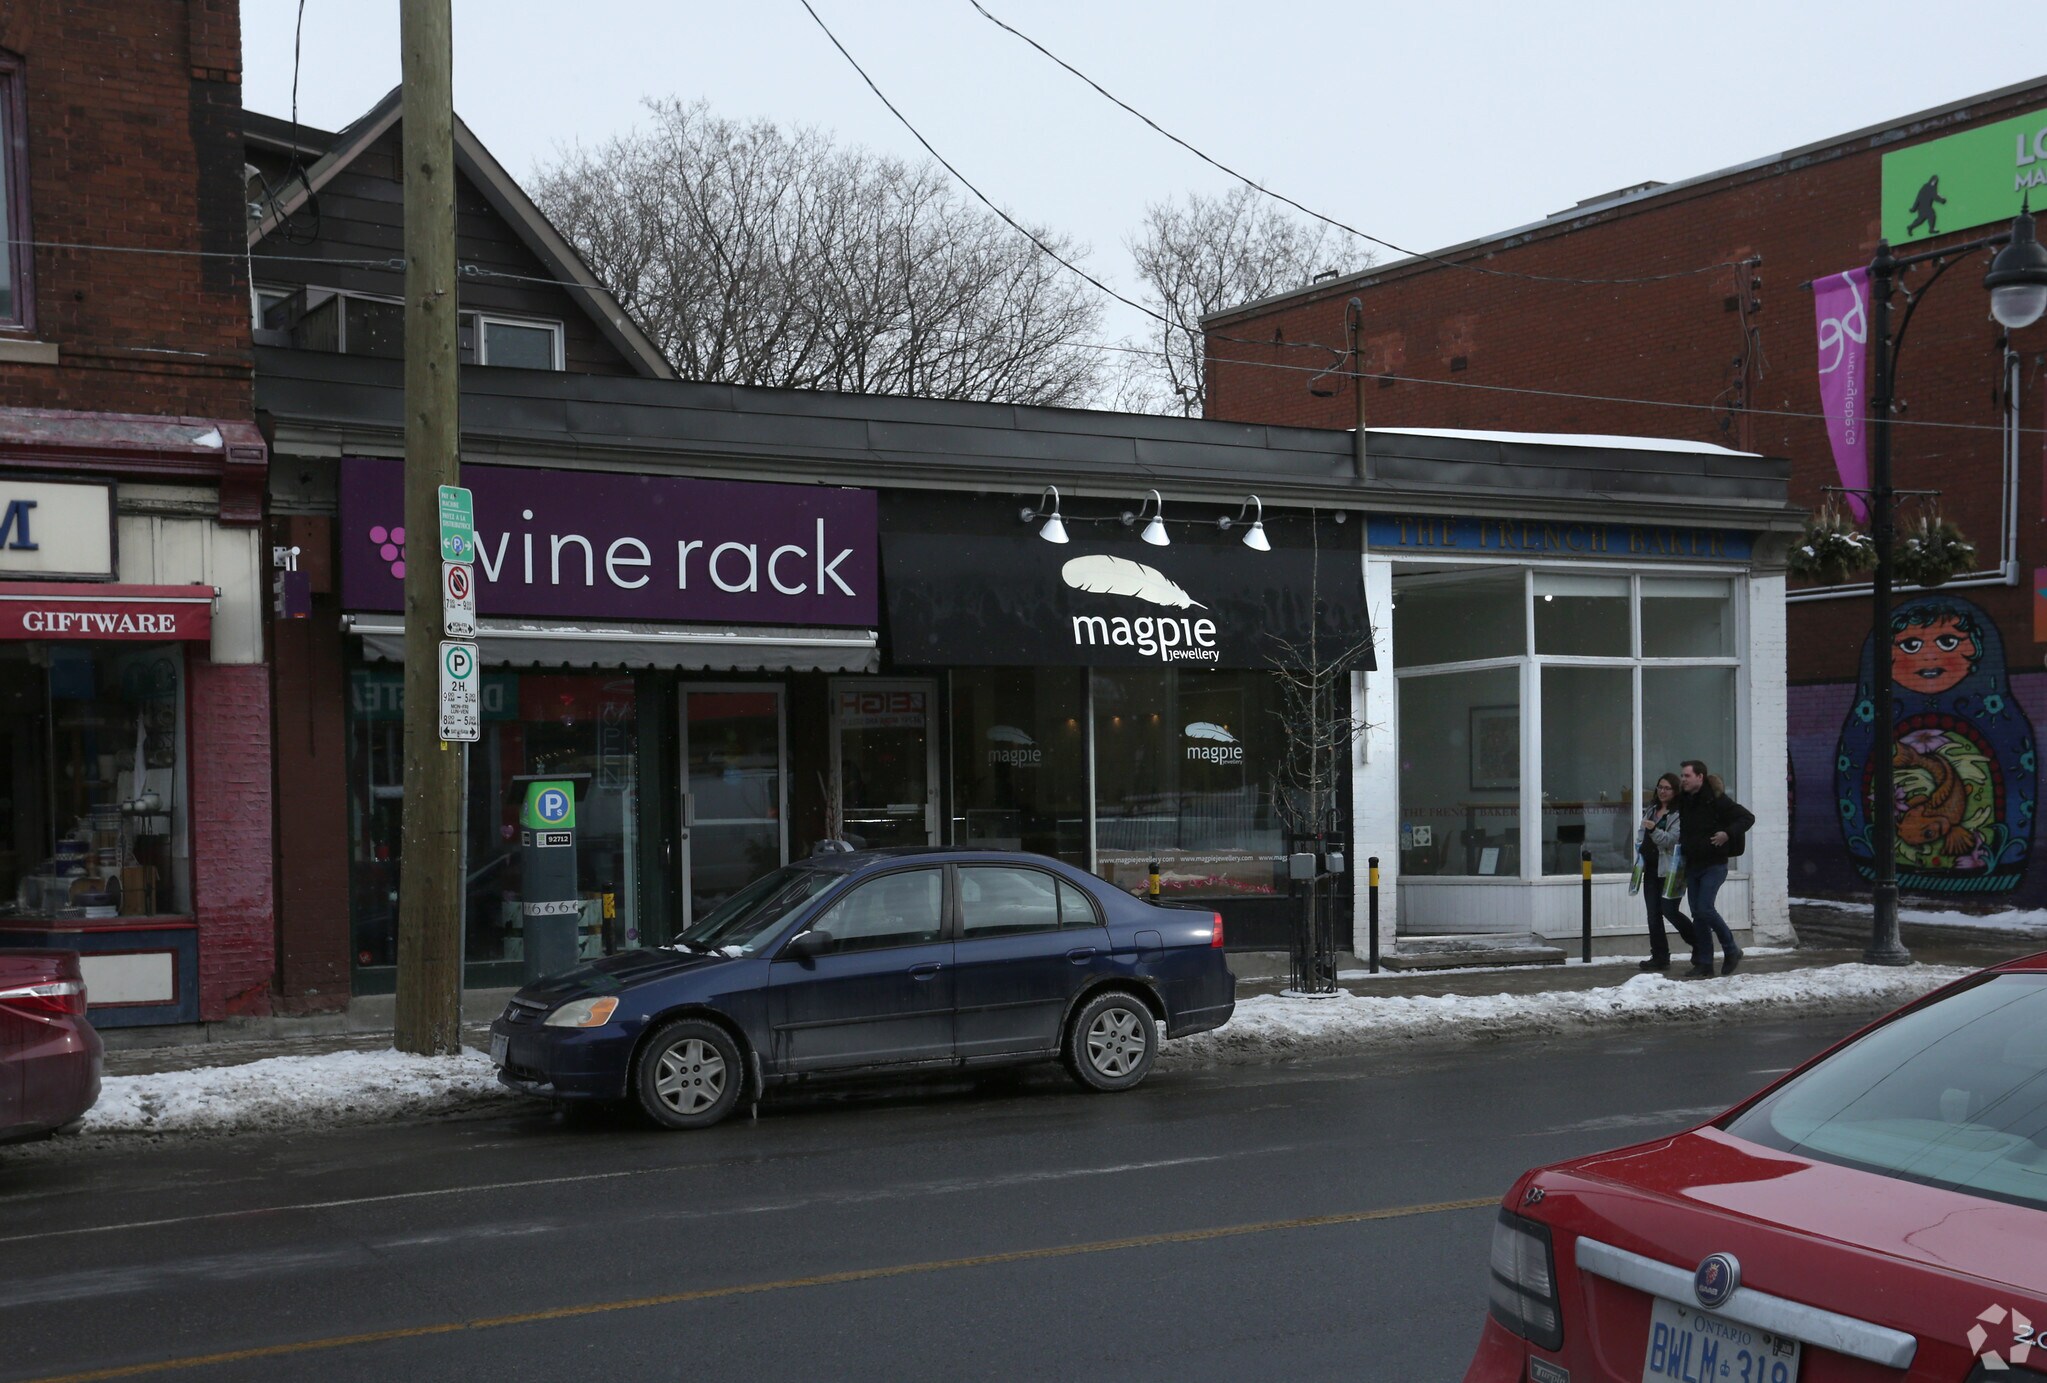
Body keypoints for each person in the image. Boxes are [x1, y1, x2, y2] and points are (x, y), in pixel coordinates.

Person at [1677, 759, 1755, 978]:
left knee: (1704, 908)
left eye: (1687, 776)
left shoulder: (1716, 799)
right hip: (1693, 864)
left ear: (1700, 777)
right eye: (1682, 776)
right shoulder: (1685, 800)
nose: (1683, 779)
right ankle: (1705, 964)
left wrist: (1727, 834)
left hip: (1714, 864)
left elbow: (1747, 818)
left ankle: (1732, 949)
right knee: (1698, 915)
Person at [1634, 773, 1696, 970]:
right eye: (1660, 787)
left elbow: (1671, 841)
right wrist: (1640, 848)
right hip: (1650, 868)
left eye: (1667, 788)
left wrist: (1654, 830)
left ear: (1676, 791)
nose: (1662, 791)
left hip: (1671, 870)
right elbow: (1641, 834)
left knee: (1669, 910)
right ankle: (1660, 956)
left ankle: (1699, 942)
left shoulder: (1679, 814)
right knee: (1653, 914)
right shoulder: (1652, 810)